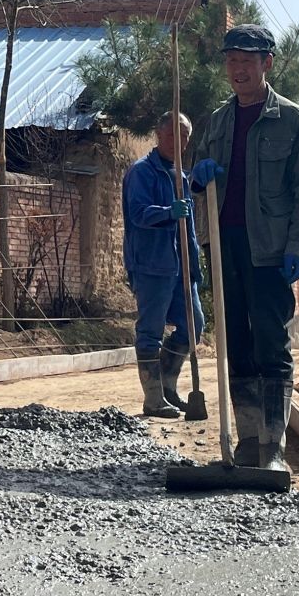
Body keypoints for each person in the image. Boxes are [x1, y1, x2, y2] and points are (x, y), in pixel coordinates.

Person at [187, 23, 299, 471]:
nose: (238, 70)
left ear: (267, 63)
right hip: (224, 247)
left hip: (269, 251)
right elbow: (195, 177)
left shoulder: (290, 120)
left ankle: (272, 447)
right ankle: (248, 441)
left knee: (271, 343)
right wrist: (197, 176)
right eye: (231, 61)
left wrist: (297, 246)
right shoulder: (218, 121)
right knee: (236, 343)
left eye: (247, 61)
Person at [122, 111, 205, 418]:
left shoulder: (181, 176)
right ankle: (153, 398)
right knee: (150, 331)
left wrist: (194, 266)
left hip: (180, 267)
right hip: (152, 264)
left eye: (184, 136)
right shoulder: (142, 172)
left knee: (194, 325)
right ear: (159, 135)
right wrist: (168, 212)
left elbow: (190, 229)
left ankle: (168, 385)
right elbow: (138, 214)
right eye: (173, 135)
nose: (178, 142)